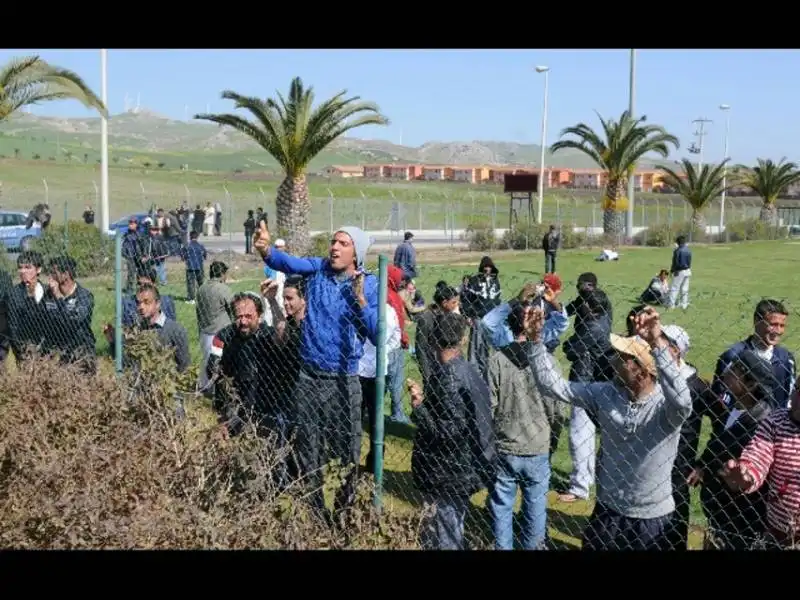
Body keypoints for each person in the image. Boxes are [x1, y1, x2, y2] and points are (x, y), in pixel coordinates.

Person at [525, 306, 692, 550]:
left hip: (653, 518)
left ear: (641, 370)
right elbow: (553, 387)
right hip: (608, 513)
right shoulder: (604, 393)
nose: (612, 359)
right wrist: (535, 341)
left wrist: (657, 341)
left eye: (622, 357)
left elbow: (683, 401)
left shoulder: (666, 409)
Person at [254, 219, 379, 516]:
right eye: (333, 242)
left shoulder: (368, 284)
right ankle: (315, 516)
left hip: (343, 381)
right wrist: (266, 252)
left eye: (343, 243)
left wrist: (360, 300)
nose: (334, 247)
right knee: (308, 450)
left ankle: (344, 514)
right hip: (309, 378)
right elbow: (289, 262)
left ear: (356, 254)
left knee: (347, 452)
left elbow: (376, 332)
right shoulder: (318, 270)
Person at [408, 312, 496, 550]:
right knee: (450, 525)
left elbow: (448, 432)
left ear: (434, 340)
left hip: (450, 469)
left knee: (445, 532)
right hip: (464, 464)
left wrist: (418, 408)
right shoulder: (467, 371)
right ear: (462, 340)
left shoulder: (449, 377)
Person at [487, 301, 557, 550]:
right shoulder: (546, 360)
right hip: (537, 444)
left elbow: (491, 406)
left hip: (506, 443)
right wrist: (552, 436)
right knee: (536, 509)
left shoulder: (496, 360)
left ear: (509, 324)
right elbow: (556, 409)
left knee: (502, 507)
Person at [690, 350, 775, 550]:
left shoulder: (761, 423)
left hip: (740, 519)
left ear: (752, 384)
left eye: (736, 369)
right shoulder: (734, 408)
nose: (728, 370)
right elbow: (718, 440)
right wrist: (703, 464)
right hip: (719, 512)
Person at [720, 376, 800, 549]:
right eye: (798, 390)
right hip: (780, 533)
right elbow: (758, 454)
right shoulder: (777, 422)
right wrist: (747, 474)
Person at [660, 324, 720, 551]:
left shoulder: (695, 385)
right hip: (649, 457)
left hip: (679, 464)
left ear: (676, 349)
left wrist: (704, 462)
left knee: (675, 519)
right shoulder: (651, 373)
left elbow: (722, 424)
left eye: (662, 341)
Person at [558, 288, 613, 504]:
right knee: (587, 436)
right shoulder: (605, 320)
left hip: (585, 381)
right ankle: (585, 479)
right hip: (595, 380)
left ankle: (580, 486)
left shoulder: (591, 327)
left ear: (590, 307)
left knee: (579, 435)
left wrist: (570, 343)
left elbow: (570, 349)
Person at [713, 299, 795, 411]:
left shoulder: (786, 359)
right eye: (773, 324)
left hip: (774, 425)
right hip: (738, 423)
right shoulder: (734, 355)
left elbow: (789, 398)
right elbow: (719, 396)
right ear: (756, 321)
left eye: (782, 325)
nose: (778, 331)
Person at [358, 286, 401, 474]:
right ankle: (354, 456)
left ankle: (374, 460)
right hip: (360, 370)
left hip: (375, 372)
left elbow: (395, 338)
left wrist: (381, 352)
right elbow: (396, 339)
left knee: (375, 419)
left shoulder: (388, 312)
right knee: (358, 417)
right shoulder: (360, 308)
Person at [106, 283, 190, 373]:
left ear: (157, 304)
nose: (141, 307)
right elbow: (126, 362)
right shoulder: (135, 330)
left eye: (146, 302)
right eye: (139, 303)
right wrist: (112, 342)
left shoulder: (175, 330)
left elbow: (184, 367)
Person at [480, 276, 570, 354]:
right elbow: (486, 322)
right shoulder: (504, 336)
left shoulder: (538, 336)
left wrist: (553, 301)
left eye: (531, 313)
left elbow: (562, 324)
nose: (527, 313)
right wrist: (517, 300)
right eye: (523, 310)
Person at [42, 255, 96, 373]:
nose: (50, 277)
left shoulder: (84, 296)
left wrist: (59, 298)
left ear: (66, 274)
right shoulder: (48, 295)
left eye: (54, 273)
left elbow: (73, 321)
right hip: (57, 349)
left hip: (80, 348)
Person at [0, 251, 47, 365]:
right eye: (20, 268)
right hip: (22, 346)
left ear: (38, 269)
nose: (23, 271)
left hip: (45, 346)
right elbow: (13, 325)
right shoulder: (12, 294)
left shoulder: (48, 292)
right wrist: (21, 349)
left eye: (28, 267)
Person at [461, 256, 502, 378]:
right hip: (478, 317)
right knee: (475, 345)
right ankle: (473, 371)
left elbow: (498, 300)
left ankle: (487, 370)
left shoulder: (496, 282)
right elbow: (467, 299)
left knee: (488, 346)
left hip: (492, 319)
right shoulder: (474, 281)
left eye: (489, 267)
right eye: (485, 267)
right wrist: (468, 315)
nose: (487, 269)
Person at [196, 261, 233, 390]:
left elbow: (198, 311)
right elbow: (233, 308)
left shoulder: (201, 288)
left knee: (206, 361)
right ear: (222, 274)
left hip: (204, 331)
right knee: (220, 363)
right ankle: (220, 388)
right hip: (220, 333)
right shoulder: (223, 289)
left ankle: (205, 387)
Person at [414, 281, 460, 386]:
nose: (457, 305)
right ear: (444, 303)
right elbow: (420, 348)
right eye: (454, 302)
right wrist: (427, 374)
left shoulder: (451, 316)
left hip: (449, 365)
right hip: (432, 367)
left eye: (457, 302)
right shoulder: (426, 319)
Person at [386, 265, 411, 424]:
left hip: (389, 342)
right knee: (396, 381)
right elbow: (395, 323)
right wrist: (403, 338)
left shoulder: (388, 293)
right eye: (398, 279)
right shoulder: (390, 296)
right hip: (394, 344)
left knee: (383, 381)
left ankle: (371, 410)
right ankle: (398, 414)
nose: (401, 282)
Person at [262, 239, 287, 326]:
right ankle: (269, 325)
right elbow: (268, 273)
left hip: (282, 285)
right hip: (272, 284)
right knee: (268, 306)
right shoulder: (271, 259)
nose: (278, 249)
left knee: (281, 304)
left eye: (280, 247)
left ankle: (280, 324)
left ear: (284, 248)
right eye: (276, 247)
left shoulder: (286, 259)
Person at [181, 230, 207, 305]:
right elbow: (205, 255)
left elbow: (183, 256)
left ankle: (191, 298)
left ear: (190, 236)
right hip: (199, 267)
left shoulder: (187, 246)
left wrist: (185, 258)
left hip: (190, 267)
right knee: (201, 283)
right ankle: (203, 297)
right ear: (197, 237)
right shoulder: (201, 246)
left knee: (190, 283)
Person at [121, 218, 146, 295]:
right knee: (131, 273)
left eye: (133, 223)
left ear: (136, 224)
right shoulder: (126, 234)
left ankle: (142, 288)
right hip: (130, 256)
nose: (131, 224)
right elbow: (123, 245)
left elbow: (144, 246)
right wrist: (124, 253)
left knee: (141, 272)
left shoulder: (140, 234)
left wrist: (144, 255)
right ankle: (129, 289)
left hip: (139, 256)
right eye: (130, 223)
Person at [669, 235, 692, 309]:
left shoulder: (677, 251)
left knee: (675, 288)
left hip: (679, 271)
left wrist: (672, 271)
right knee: (685, 288)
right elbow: (689, 262)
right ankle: (684, 304)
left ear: (678, 242)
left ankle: (671, 304)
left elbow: (675, 262)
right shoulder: (688, 250)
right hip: (688, 270)